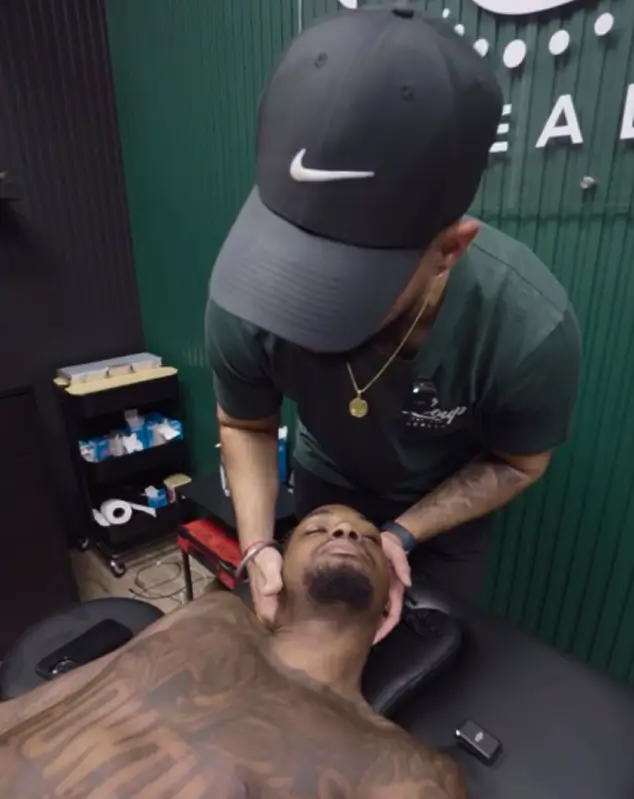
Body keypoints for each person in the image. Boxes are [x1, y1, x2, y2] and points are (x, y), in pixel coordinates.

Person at [205, 7, 581, 634]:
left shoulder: (528, 329)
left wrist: (404, 533)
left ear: (449, 250)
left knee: (430, 655)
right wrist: (257, 544)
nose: (302, 306)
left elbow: (518, 461)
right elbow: (244, 422)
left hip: (442, 504)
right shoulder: (247, 294)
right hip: (325, 478)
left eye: (343, 282)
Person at [0, 506, 466, 799]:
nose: (345, 530)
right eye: (316, 529)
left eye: (368, 538)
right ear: (276, 580)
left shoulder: (407, 771)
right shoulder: (212, 615)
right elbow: (54, 700)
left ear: (389, 605)